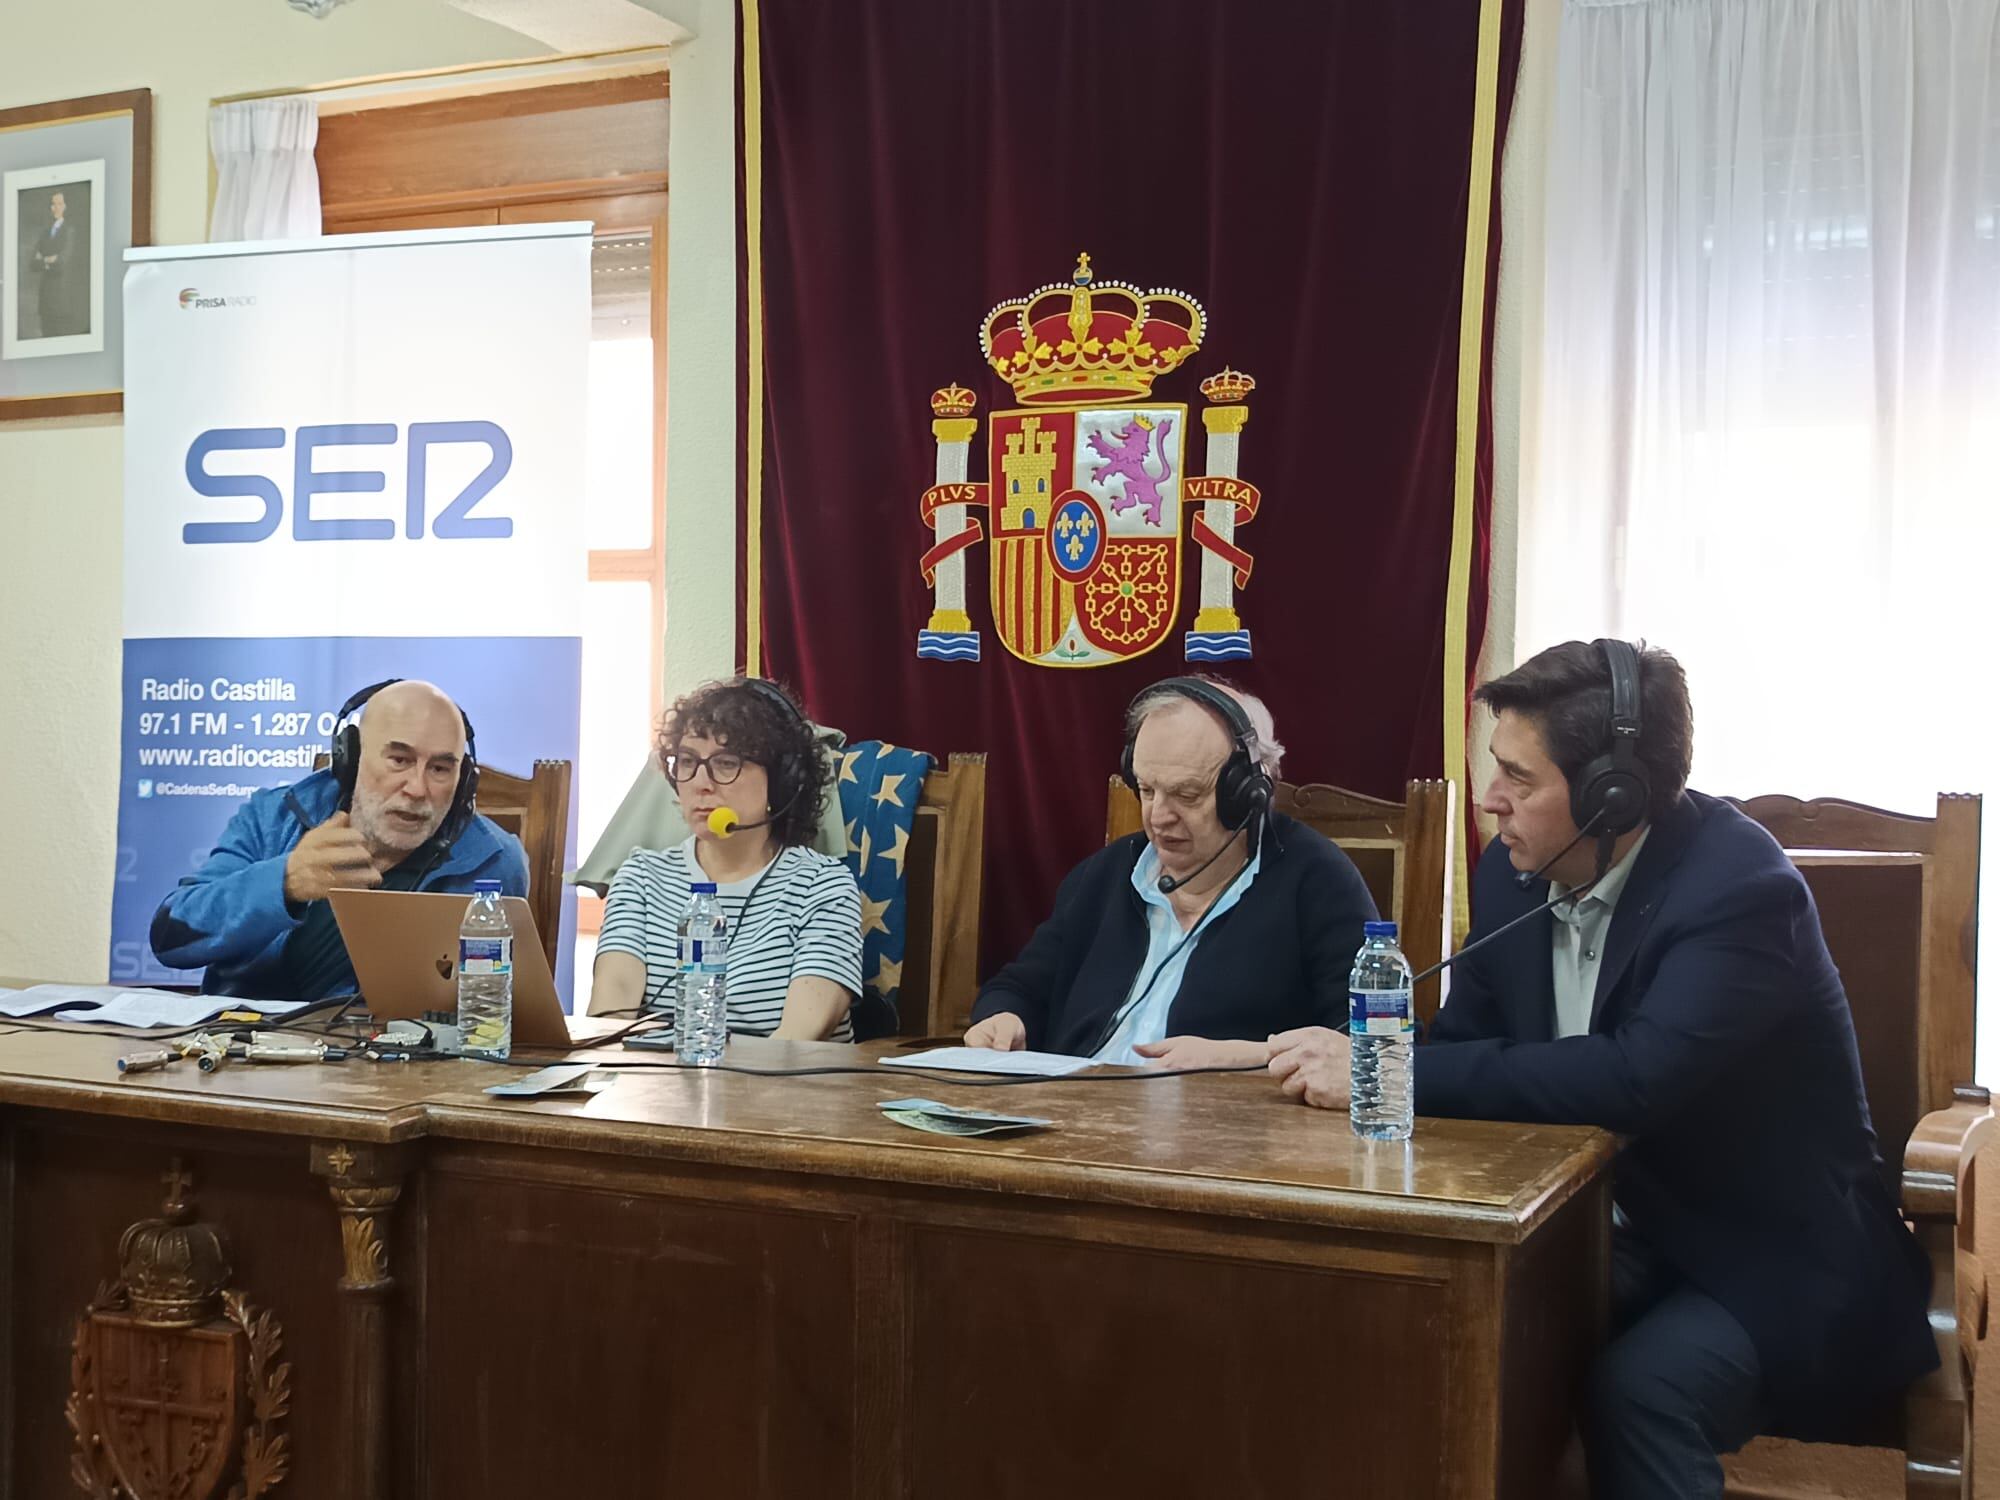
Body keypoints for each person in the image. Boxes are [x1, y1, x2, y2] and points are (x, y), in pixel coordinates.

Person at [1266, 640, 1935, 1499]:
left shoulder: (1740, 887)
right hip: (1584, 1232)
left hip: (1762, 1249)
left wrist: (1390, 1073)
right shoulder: (1510, 875)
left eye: (1518, 777)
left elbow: (1635, 1080)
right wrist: (1353, 1063)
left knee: (1640, 1391)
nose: (1490, 800)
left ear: (1612, 797)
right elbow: (1467, 1045)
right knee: (1398, 1325)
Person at [965, 676, 1376, 1066]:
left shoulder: (1319, 881)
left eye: (1186, 794)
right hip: (1076, 1118)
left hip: (1227, 1128)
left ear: (1247, 793)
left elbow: (1372, 1046)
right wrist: (1005, 1019)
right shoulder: (1104, 876)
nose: (1158, 817)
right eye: (1146, 789)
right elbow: (1018, 988)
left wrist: (1251, 1058)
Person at [151, 679, 528, 1000]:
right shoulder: (274, 817)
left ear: (463, 783)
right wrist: (284, 883)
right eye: (399, 760)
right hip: (243, 1060)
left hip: (394, 1075)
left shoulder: (493, 860)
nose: (417, 788)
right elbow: (172, 938)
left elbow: (495, 1007)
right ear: (351, 759)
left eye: (441, 769)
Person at [593, 677, 863, 1040]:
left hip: (780, 1090)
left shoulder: (823, 886)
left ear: (780, 781)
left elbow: (799, 1039)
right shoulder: (641, 877)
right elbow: (609, 1024)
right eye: (687, 761)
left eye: (726, 763)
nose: (701, 783)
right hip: (658, 1089)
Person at [30, 190, 84, 338]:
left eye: (59, 203)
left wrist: (44, 259)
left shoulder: (70, 231)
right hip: (45, 298)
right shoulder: (44, 233)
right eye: (53, 204)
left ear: (65, 206)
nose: (56, 207)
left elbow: (62, 262)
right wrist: (49, 260)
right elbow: (33, 264)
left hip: (62, 298)